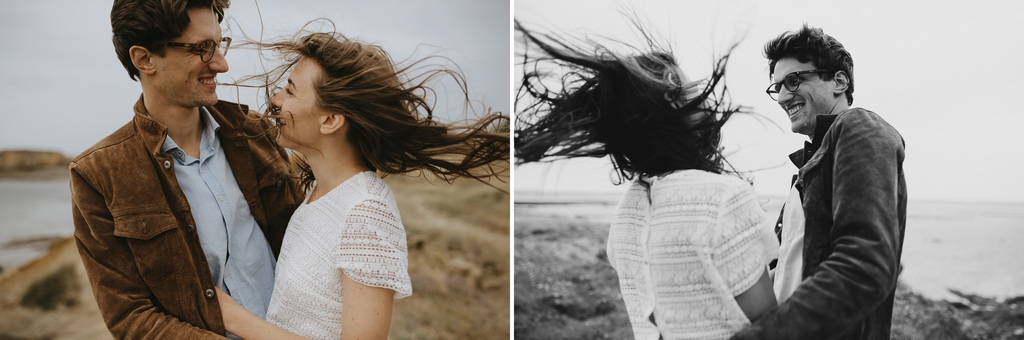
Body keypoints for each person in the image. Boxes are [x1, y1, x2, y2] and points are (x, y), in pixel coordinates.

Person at [212, 31, 510, 339]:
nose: (276, 99)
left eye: (290, 91)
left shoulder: (366, 212)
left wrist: (234, 317)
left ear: (330, 120)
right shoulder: (318, 197)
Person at [514, 20, 778, 340]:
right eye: (690, 85)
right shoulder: (724, 198)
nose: (701, 93)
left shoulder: (627, 212)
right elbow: (769, 325)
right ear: (673, 95)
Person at [70, 0, 303, 338]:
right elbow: (130, 317)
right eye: (201, 49)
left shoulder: (253, 132)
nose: (221, 64)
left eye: (219, 44)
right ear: (144, 59)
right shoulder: (99, 174)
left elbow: (303, 242)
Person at [730, 25, 907, 340]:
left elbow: (864, 268)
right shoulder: (810, 163)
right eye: (777, 87)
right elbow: (788, 268)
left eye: (794, 80)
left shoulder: (858, 127)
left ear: (839, 81)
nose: (783, 96)